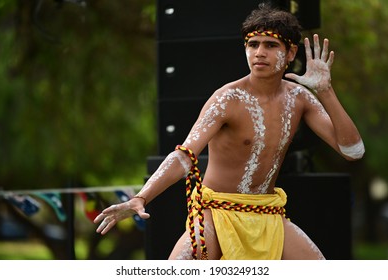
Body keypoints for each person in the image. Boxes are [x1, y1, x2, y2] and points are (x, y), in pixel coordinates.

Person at [94, 4, 365, 260]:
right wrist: (141, 197)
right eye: (253, 44)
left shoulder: (300, 99)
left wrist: (325, 91)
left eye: (271, 45)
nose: (259, 52)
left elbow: (353, 151)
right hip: (217, 214)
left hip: (268, 214)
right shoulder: (227, 98)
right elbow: (184, 156)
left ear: (290, 54)